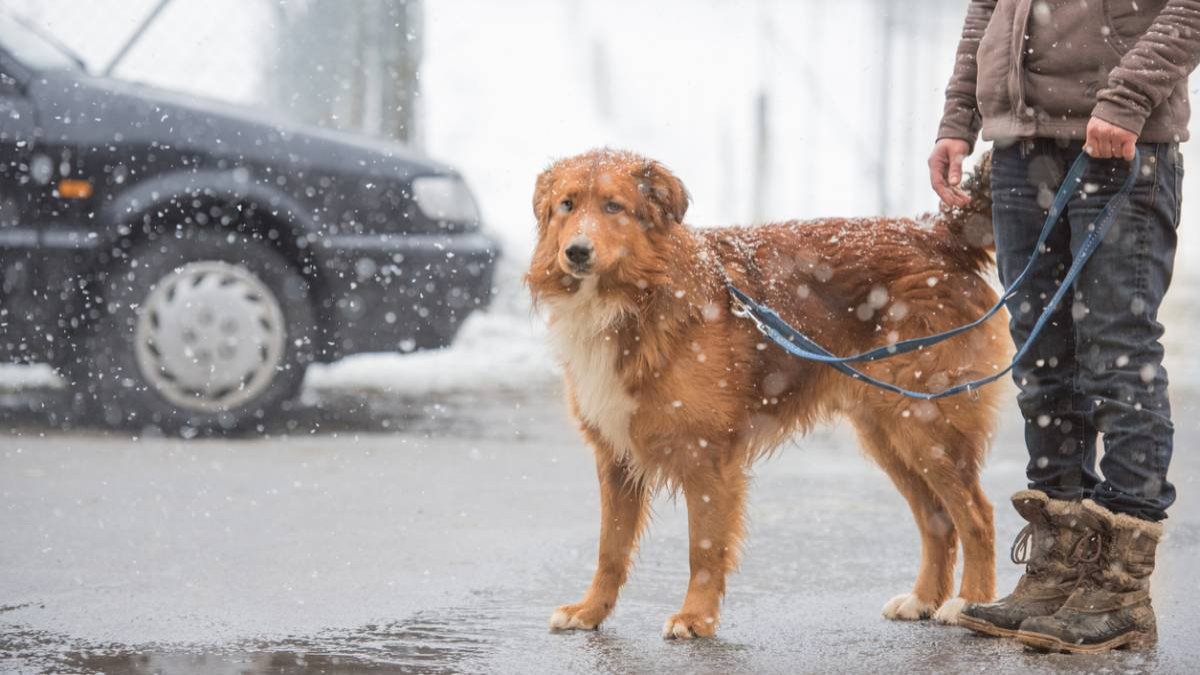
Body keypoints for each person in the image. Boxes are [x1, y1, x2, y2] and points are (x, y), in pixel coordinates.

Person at [928, 0, 1200, 654]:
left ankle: (1121, 590)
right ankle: (1058, 566)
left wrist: (1126, 98)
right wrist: (958, 117)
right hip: (1020, 145)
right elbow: (987, 11)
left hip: (1119, 141)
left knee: (1115, 356)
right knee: (1043, 362)